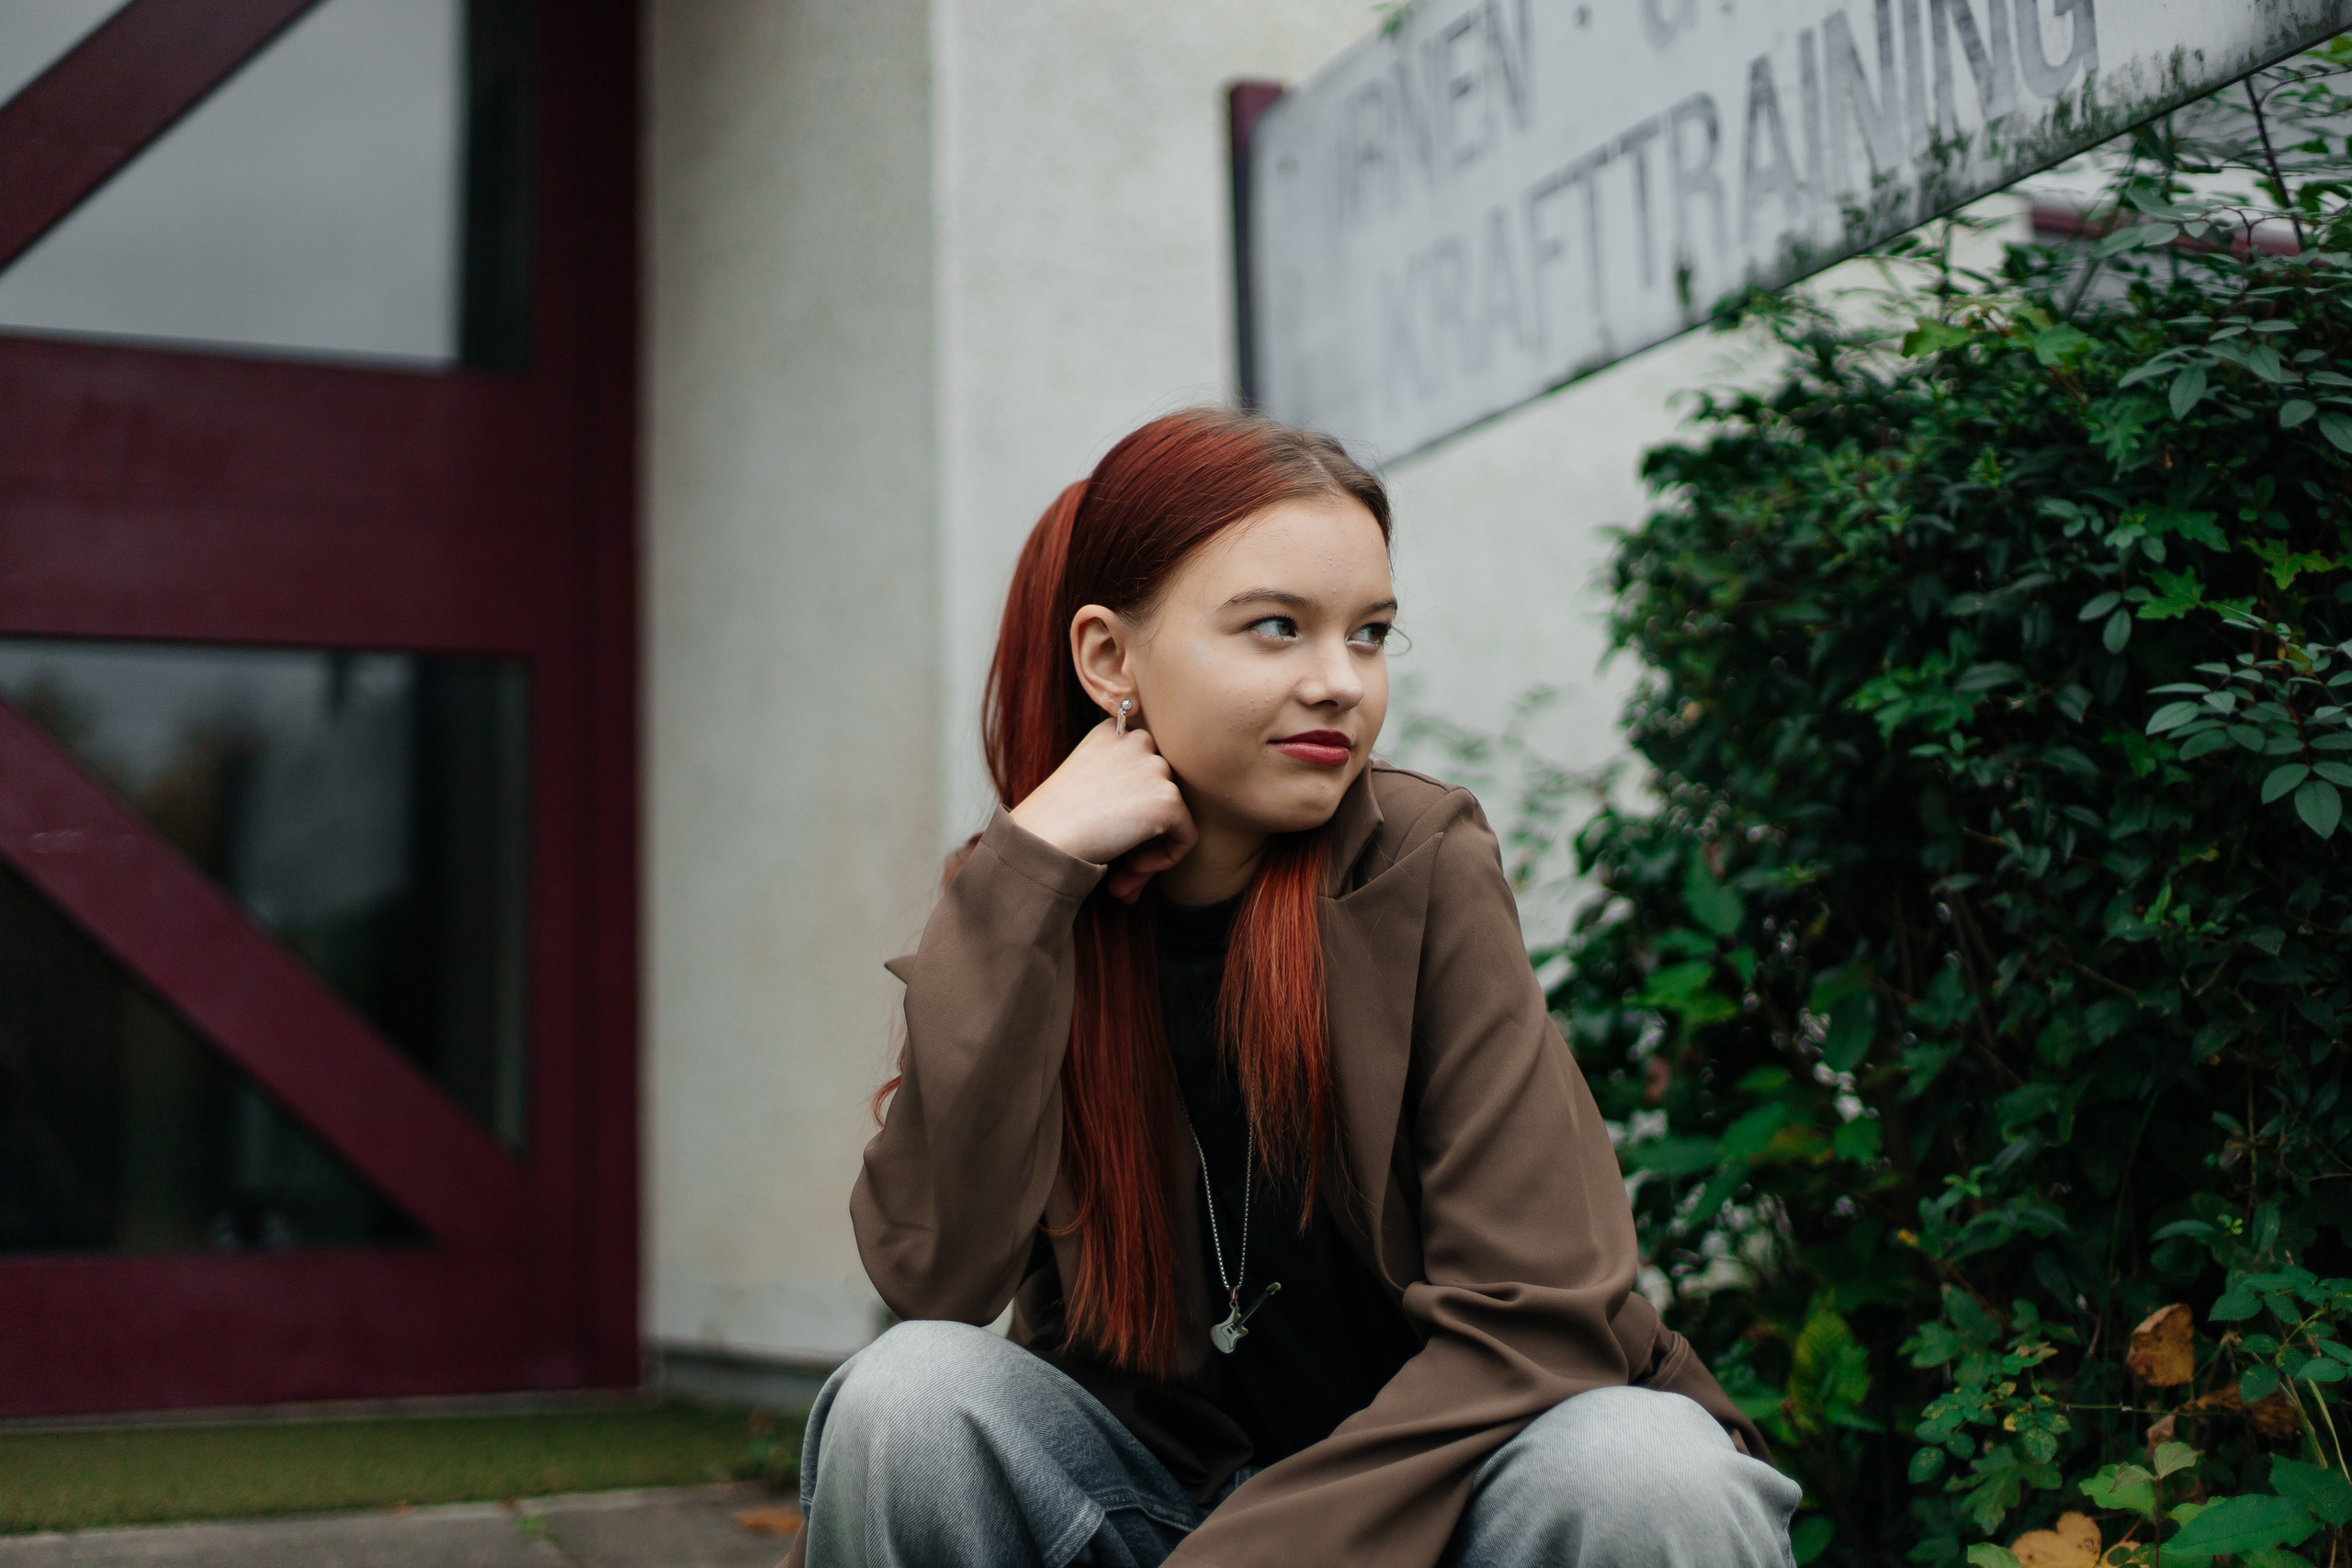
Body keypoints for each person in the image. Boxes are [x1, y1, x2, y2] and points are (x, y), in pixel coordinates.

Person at [784, 410, 1800, 1568]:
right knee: (907, 1396)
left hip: (1448, 1501)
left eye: (1369, 635)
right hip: (1157, 1500)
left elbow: (1536, 1316)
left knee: (1645, 1466)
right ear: (1109, 659)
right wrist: (1024, 878)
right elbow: (932, 1273)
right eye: (1276, 628)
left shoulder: (1416, 862)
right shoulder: (1030, 906)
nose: (1339, 682)